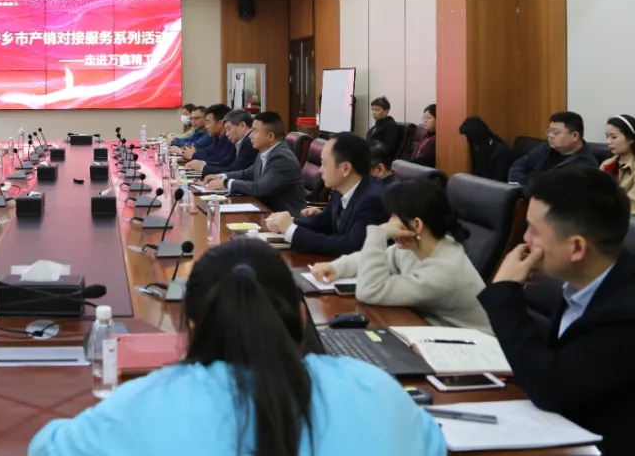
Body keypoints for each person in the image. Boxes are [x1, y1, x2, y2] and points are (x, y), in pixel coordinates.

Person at [29, 239, 445, 456]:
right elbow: (430, 443)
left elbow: (47, 448)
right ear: (302, 317)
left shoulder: (143, 405)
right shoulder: (377, 391)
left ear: (190, 326)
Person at [478, 166, 635, 454]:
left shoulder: (625, 313)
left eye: (534, 231)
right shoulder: (583, 279)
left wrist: (505, 294)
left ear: (577, 248)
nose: (525, 240)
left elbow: (552, 389)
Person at [311, 181, 492, 334]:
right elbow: (377, 258)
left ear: (417, 224)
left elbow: (370, 291)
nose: (389, 223)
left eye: (394, 217)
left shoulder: (444, 271)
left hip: (474, 352)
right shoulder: (417, 247)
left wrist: (378, 234)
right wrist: (337, 267)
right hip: (434, 332)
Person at [267, 133, 387, 257]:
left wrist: (291, 230)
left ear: (346, 169)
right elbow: (323, 223)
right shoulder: (339, 190)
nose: (320, 170)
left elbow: (350, 246)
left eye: (324, 164)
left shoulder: (373, 201)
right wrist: (286, 223)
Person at [203, 112, 306, 216]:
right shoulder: (265, 151)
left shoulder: (281, 158)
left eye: (255, 131)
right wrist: (221, 176)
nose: (250, 136)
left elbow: (261, 189)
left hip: (284, 217)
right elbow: (249, 173)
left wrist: (226, 183)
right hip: (265, 211)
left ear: (270, 136)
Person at [509, 111, 598, 186]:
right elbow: (519, 164)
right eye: (549, 131)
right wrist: (517, 186)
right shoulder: (546, 148)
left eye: (556, 133)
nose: (550, 136)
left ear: (575, 136)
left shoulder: (586, 166)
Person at [184, 109, 257, 177]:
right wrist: (203, 164)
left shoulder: (249, 142)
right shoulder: (239, 140)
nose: (226, 134)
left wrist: (203, 168)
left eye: (229, 129)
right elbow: (226, 162)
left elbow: (234, 169)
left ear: (242, 126)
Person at [459, 116, 514, 182]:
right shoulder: (476, 146)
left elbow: (499, 180)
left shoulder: (501, 151)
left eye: (467, 136)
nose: (466, 140)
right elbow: (475, 171)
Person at [601, 114, 635, 215]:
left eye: (614, 137)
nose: (608, 142)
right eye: (607, 136)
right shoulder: (607, 164)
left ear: (631, 138)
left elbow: (630, 205)